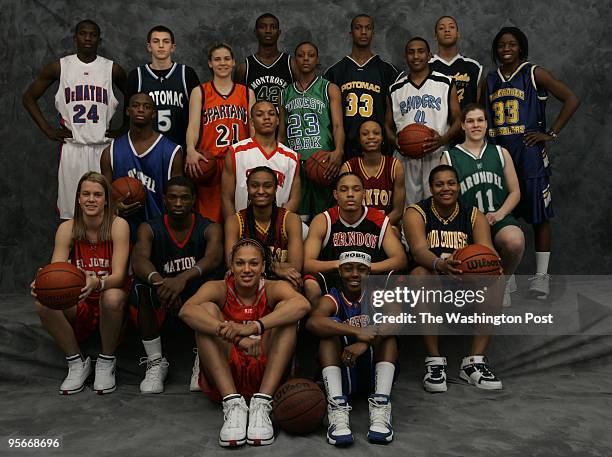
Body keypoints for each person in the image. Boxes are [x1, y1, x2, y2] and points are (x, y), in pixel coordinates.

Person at [179, 238, 311, 447]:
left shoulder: (273, 287)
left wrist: (254, 326)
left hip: (265, 369)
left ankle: (262, 404)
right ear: (231, 266)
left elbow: (302, 305)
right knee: (205, 311)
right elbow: (186, 310)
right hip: (227, 370)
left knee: (286, 315)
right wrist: (238, 338)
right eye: (240, 263)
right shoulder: (218, 288)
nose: (247, 269)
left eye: (253, 263)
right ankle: (232, 404)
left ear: (263, 267)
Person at [484, 27, 580, 299]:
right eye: (501, 44)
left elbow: (572, 98)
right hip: (501, 156)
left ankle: (541, 276)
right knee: (501, 215)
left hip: (529, 157)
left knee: (539, 217)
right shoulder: (490, 80)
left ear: (521, 48)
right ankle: (506, 274)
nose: (506, 48)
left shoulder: (534, 73)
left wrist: (551, 133)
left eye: (512, 44)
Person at [403, 164, 503, 392]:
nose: (445, 188)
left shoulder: (473, 214)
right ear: (431, 188)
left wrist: (493, 265)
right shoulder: (416, 212)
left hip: (464, 285)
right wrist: (440, 264)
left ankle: (474, 362)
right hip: (431, 283)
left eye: (451, 183)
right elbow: (418, 250)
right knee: (419, 275)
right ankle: (434, 362)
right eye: (439, 184)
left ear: (458, 186)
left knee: (496, 277)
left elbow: (487, 250)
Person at [32, 171, 130, 395]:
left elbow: (119, 277)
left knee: (113, 296)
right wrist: (41, 282)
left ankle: (106, 361)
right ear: (78, 198)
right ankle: (77, 362)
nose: (91, 199)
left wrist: (97, 283)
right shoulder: (67, 228)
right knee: (42, 301)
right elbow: (55, 272)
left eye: (97, 194)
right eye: (85, 194)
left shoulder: (118, 225)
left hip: (108, 293)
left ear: (106, 200)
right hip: (80, 298)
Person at [22, 19, 127, 220]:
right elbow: (28, 98)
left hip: (103, 150)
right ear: (75, 37)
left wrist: (124, 128)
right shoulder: (60, 67)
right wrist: (48, 130)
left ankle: (101, 252)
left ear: (99, 39)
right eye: (83, 33)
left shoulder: (111, 69)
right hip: (73, 149)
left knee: (106, 212)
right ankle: (72, 252)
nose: (88, 38)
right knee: (72, 214)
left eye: (93, 34)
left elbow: (135, 98)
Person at [130, 176, 223, 394]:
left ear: (193, 200)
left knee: (213, 284)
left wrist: (181, 280)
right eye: (173, 197)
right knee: (140, 287)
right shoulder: (149, 227)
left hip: (194, 291)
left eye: (184, 198)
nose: (178, 203)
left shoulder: (209, 228)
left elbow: (214, 258)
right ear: (164, 199)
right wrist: (161, 282)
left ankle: (203, 358)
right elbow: (139, 259)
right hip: (163, 290)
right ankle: (155, 361)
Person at [307, 251, 397, 446]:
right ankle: (337, 406)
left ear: (369, 272)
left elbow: (398, 320)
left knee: (389, 335)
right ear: (340, 272)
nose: (354, 274)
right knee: (327, 331)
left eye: (361, 269)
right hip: (343, 369)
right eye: (348, 269)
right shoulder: (333, 296)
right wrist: (357, 331)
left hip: (372, 371)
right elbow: (313, 322)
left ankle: (381, 404)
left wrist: (364, 342)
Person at [441, 103, 524, 305]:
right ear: (462, 126)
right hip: (467, 223)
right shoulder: (450, 157)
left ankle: (501, 283)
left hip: (496, 218)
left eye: (480, 120)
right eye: (470, 121)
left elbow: (515, 192)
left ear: (487, 124)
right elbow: (443, 199)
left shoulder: (500, 152)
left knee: (515, 241)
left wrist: (500, 213)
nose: (475, 125)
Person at [303, 172, 407, 305]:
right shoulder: (324, 220)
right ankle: (320, 320)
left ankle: (392, 324)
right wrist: (340, 265)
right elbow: (306, 263)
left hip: (370, 278)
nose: (350, 194)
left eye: (356, 189)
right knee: (310, 283)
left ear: (364, 194)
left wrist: (366, 267)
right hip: (337, 279)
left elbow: (400, 260)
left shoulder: (378, 220)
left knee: (400, 281)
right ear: (336, 194)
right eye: (344, 189)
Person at [386, 37, 461, 205]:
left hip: (436, 154)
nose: (416, 56)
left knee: (438, 205)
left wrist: (443, 139)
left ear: (429, 55)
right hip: (406, 157)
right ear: (406, 57)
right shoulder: (395, 88)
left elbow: (458, 120)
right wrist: (395, 141)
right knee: (408, 208)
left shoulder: (445, 82)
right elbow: (387, 125)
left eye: (420, 51)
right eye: (411, 52)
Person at [186, 43, 255, 223]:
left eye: (226, 59)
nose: (222, 63)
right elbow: (193, 126)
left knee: (240, 219)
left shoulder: (247, 93)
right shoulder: (200, 91)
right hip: (210, 164)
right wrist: (191, 150)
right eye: (217, 59)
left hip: (239, 163)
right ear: (210, 63)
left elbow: (254, 131)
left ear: (233, 63)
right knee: (211, 222)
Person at [100, 92, 183, 238]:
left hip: (160, 232)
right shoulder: (110, 152)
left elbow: (178, 197)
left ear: (153, 113)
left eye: (146, 106)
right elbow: (103, 196)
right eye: (135, 105)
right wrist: (114, 206)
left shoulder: (172, 152)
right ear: (127, 111)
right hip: (122, 232)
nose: (140, 109)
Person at [280, 41, 344, 219]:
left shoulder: (328, 88)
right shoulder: (285, 93)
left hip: (323, 162)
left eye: (311, 55)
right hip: (295, 164)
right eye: (301, 55)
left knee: (324, 218)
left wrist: (338, 150)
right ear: (295, 61)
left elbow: (338, 125)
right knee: (297, 220)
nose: (306, 59)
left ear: (317, 60)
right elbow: (282, 132)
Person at [324, 14, 399, 159]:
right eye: (358, 28)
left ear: (373, 33)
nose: (363, 32)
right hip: (346, 150)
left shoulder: (388, 71)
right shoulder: (335, 72)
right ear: (350, 33)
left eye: (368, 28)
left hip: (380, 149)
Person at [224, 166, 303, 289]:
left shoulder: (290, 219)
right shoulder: (235, 221)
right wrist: (276, 268)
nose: (260, 191)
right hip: (248, 284)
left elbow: (295, 267)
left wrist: (256, 267)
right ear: (248, 189)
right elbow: (231, 264)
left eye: (267, 186)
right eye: (255, 186)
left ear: (276, 189)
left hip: (280, 285)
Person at [221, 100, 300, 220]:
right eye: (260, 114)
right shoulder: (235, 152)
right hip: (244, 225)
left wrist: (278, 224)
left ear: (278, 120)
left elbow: (295, 198)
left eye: (271, 114)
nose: (266, 118)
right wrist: (234, 227)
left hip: (278, 227)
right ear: (252, 122)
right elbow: (226, 197)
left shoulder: (291, 157)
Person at [126, 25, 200, 147]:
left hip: (180, 148)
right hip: (145, 149)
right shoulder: (136, 76)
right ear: (149, 47)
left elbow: (198, 117)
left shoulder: (186, 74)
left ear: (173, 47)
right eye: (156, 41)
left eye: (166, 41)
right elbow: (128, 118)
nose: (161, 45)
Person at [341, 120, 405, 226]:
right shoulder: (348, 167)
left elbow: (398, 211)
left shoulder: (395, 166)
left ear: (383, 137)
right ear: (359, 139)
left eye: (376, 133)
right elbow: (343, 207)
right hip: (356, 227)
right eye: (365, 134)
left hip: (386, 227)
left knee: (394, 232)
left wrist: (377, 227)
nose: (371, 137)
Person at [235, 13, 295, 109]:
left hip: (285, 123)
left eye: (273, 27)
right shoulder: (244, 68)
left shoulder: (291, 64)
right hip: (255, 123)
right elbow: (238, 104)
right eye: (263, 27)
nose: (268, 31)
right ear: (256, 32)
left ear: (279, 32)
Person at [429, 16, 483, 110]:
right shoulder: (427, 66)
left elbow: (479, 106)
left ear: (458, 34)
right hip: (437, 124)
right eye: (441, 28)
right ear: (435, 36)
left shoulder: (473, 67)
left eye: (451, 27)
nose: (447, 30)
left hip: (467, 123)